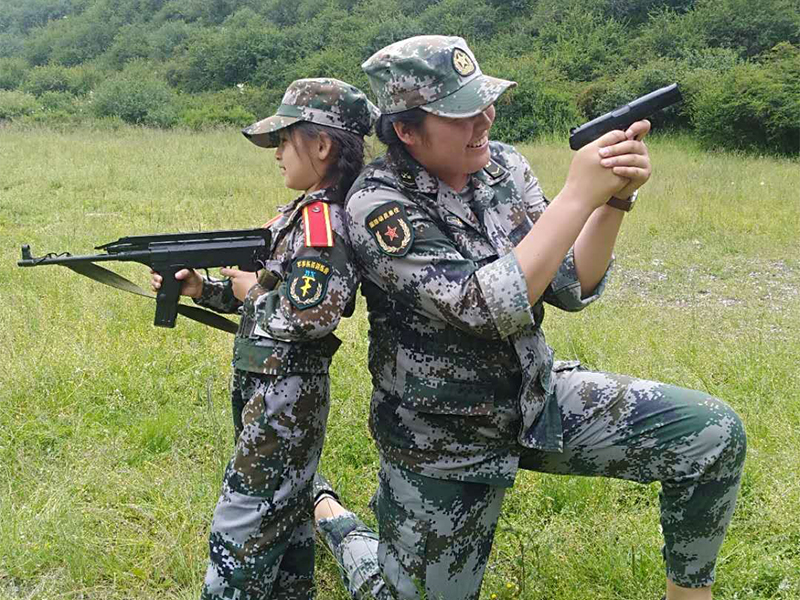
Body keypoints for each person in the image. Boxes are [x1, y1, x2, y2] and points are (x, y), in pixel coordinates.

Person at [312, 36, 746, 600]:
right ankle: (336, 521)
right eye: (461, 114)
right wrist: (576, 197)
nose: (484, 121)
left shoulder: (504, 167)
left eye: (485, 104)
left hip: (533, 397)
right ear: (407, 131)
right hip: (442, 440)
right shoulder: (377, 204)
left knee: (711, 434)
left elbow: (571, 282)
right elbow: (482, 307)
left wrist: (613, 200)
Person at [151, 78, 377, 600]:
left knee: (243, 521)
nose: (276, 154)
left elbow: (310, 314)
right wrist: (205, 289)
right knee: (288, 515)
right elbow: (273, 292)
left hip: (285, 395)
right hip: (274, 389)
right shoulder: (298, 215)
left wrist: (250, 290)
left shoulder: (324, 224)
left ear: (322, 145)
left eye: (284, 141)